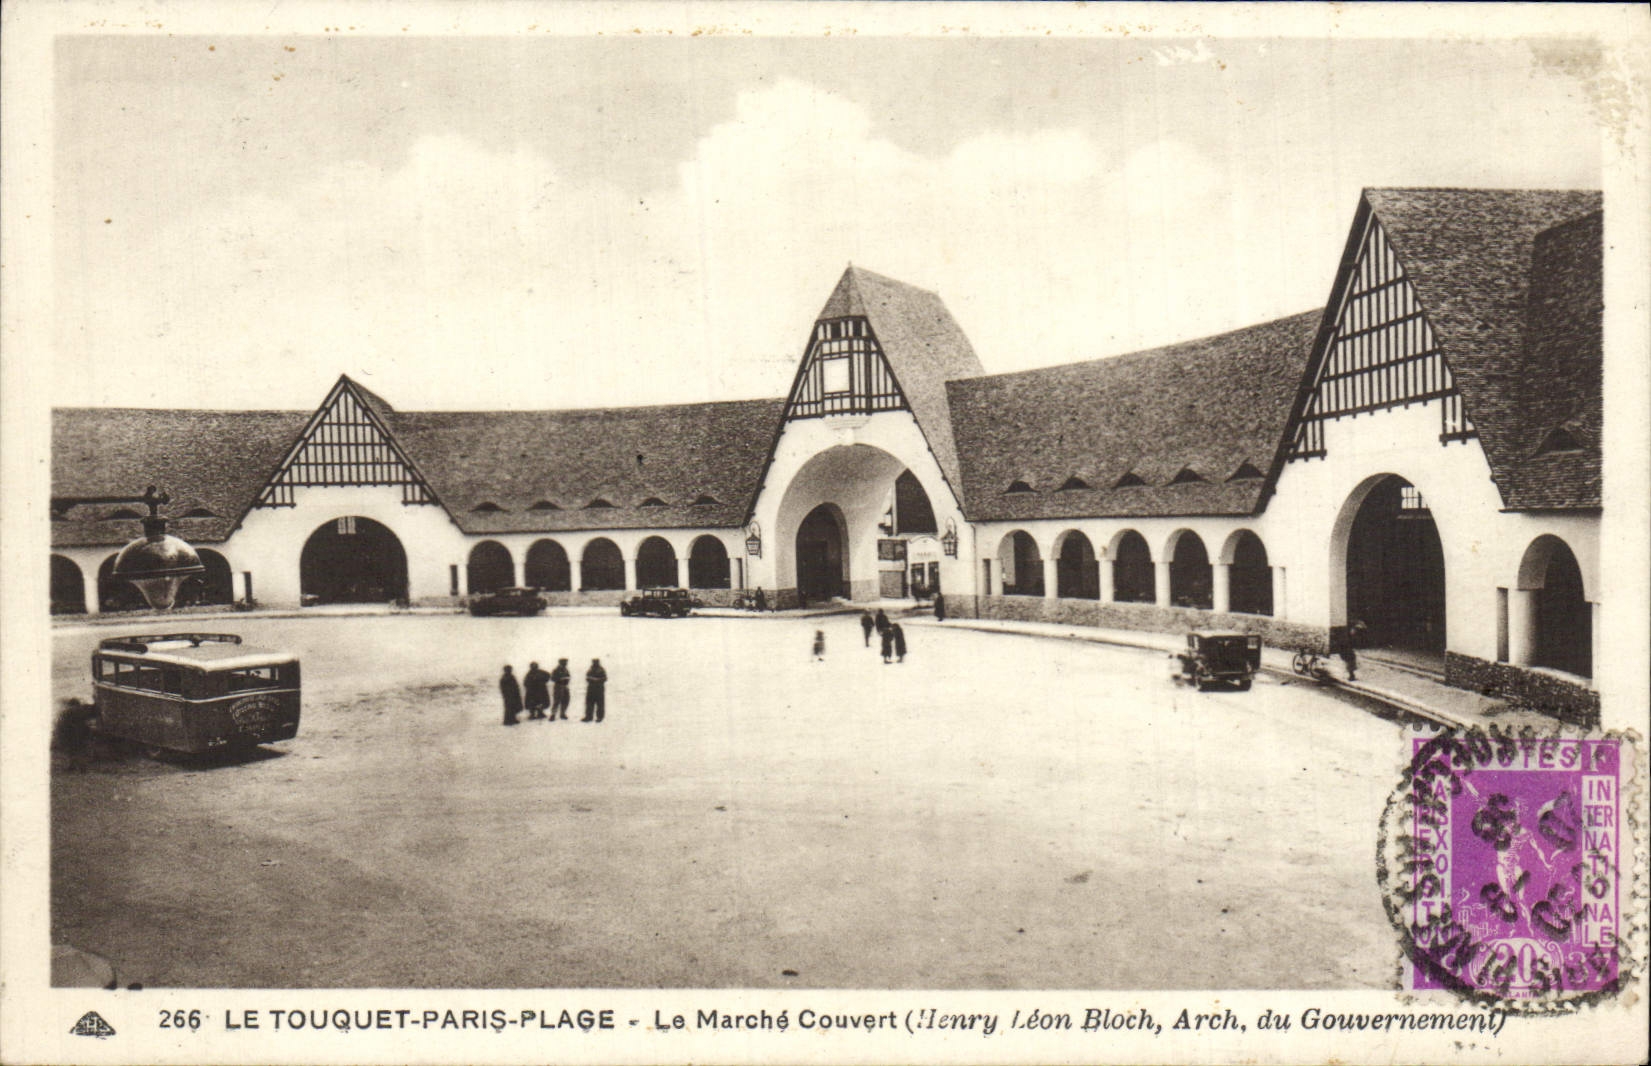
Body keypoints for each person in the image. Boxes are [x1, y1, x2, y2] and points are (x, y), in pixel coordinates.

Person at [583, 658, 607, 722]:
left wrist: (597, 680)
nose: (595, 663)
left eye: (596, 662)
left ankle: (599, 717)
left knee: (600, 704)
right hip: (591, 689)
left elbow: (605, 678)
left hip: (599, 689)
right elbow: (587, 677)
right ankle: (589, 716)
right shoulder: (590, 670)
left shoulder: (601, 670)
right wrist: (592, 680)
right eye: (594, 662)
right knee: (589, 703)